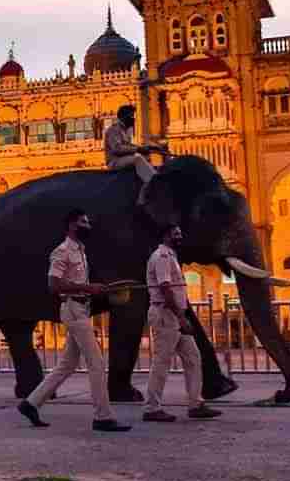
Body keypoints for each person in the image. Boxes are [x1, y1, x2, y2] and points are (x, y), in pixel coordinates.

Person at [17, 209, 132, 432]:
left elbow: (76, 283)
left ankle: (30, 403)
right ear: (71, 225)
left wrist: (94, 290)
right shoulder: (61, 252)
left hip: (81, 308)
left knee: (67, 365)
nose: (87, 225)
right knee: (97, 362)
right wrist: (87, 287)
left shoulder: (81, 251)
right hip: (72, 309)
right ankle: (102, 416)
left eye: (87, 221)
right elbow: (53, 284)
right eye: (82, 222)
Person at [143, 224, 221, 422]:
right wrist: (181, 317)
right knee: (162, 362)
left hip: (174, 315)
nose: (180, 236)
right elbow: (166, 289)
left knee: (193, 358)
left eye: (180, 233)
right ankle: (152, 408)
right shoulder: (161, 256)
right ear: (166, 235)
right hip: (166, 315)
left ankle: (195, 404)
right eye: (176, 234)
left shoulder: (171, 256)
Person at [104, 105, 158, 206]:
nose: (134, 119)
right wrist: (138, 149)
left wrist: (149, 148)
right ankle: (152, 181)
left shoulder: (127, 131)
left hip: (125, 160)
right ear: (124, 117)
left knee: (145, 158)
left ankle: (145, 182)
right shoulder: (113, 130)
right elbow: (117, 149)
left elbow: (129, 146)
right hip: (114, 162)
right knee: (137, 159)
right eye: (132, 116)